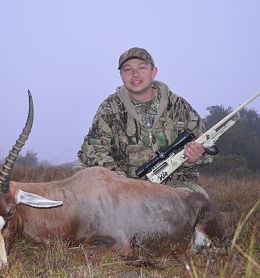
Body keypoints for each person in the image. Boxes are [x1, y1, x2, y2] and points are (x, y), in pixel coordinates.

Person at [73, 47, 212, 196]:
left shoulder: (179, 106)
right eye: (127, 69)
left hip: (174, 184)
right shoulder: (110, 107)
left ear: (154, 72)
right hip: (123, 185)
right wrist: (120, 180)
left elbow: (208, 149)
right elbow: (93, 148)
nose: (135, 74)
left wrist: (196, 156)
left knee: (196, 201)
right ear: (121, 75)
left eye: (142, 67)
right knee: (81, 172)